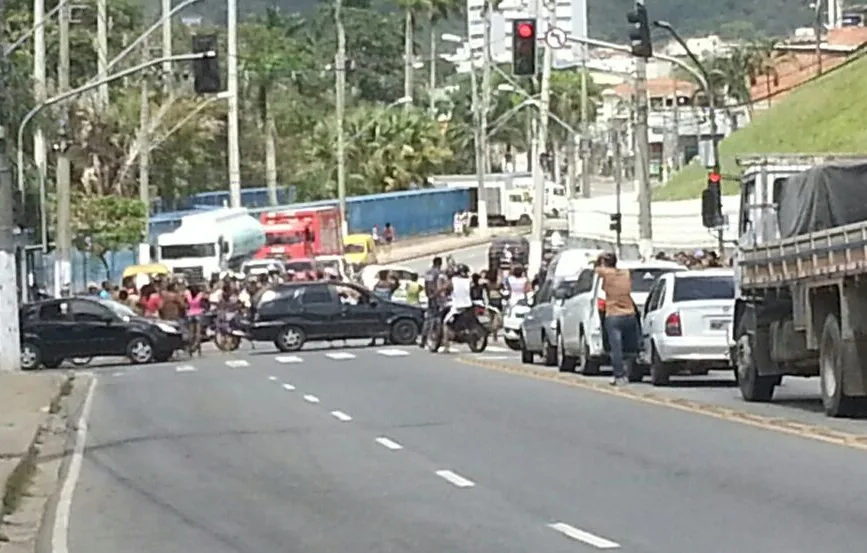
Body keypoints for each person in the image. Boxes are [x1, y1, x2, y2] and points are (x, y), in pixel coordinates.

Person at [593, 252, 639, 387]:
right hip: (630, 313)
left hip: (613, 315)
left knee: (616, 348)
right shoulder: (625, 273)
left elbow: (595, 269)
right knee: (630, 348)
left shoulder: (606, 274)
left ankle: (619, 376)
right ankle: (629, 372)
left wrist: (599, 259)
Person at [441, 263, 472, 353]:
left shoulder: (453, 280)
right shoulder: (468, 281)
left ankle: (446, 347)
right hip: (468, 305)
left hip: (457, 307)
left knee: (445, 323)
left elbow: (445, 288)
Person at [420, 256, 444, 348]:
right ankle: (437, 338)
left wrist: (428, 295)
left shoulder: (428, 272)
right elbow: (439, 286)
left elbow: (426, 285)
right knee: (438, 319)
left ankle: (424, 339)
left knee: (429, 319)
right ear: (440, 264)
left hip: (430, 297)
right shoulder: (438, 273)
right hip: (437, 298)